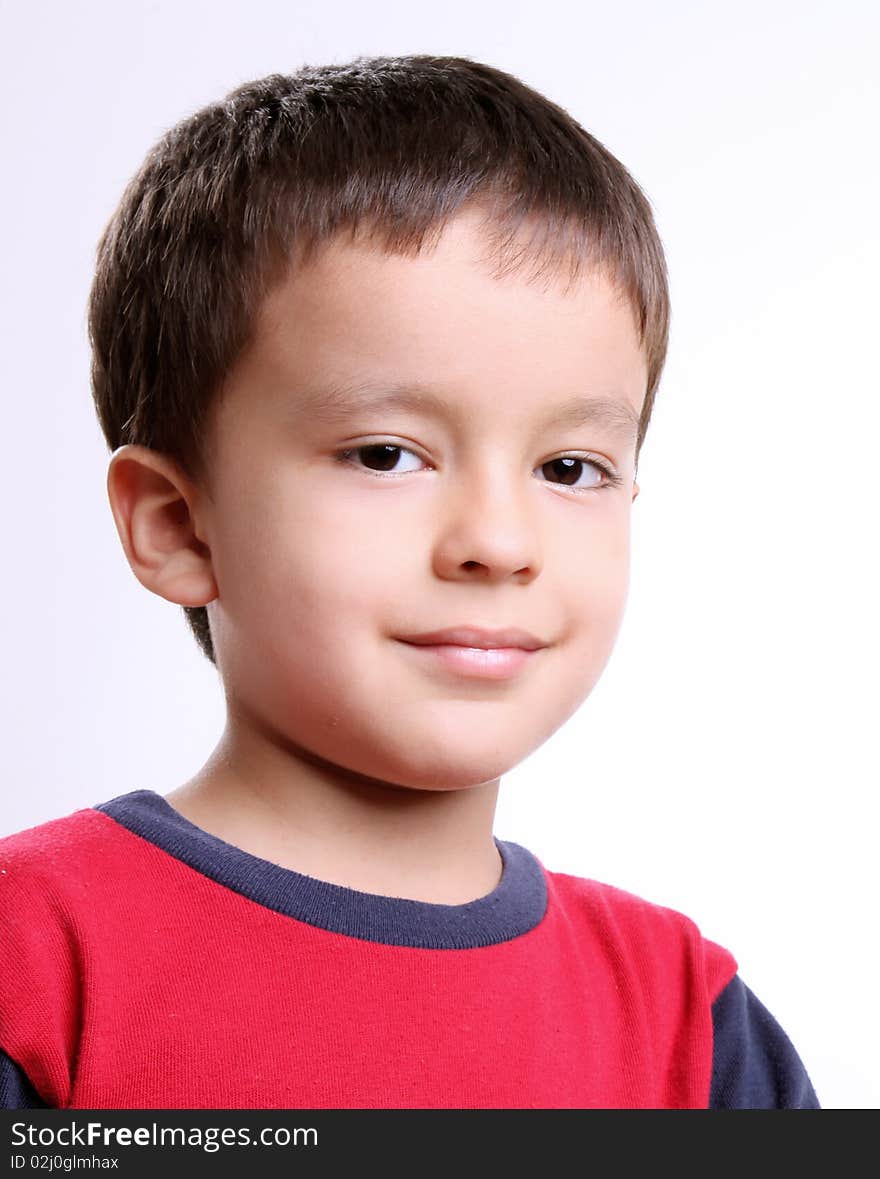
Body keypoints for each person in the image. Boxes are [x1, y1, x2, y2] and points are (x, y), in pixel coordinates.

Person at [0, 55, 819, 1110]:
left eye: (568, 468)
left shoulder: (691, 1026)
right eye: (386, 454)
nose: (497, 541)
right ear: (177, 525)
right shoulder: (36, 964)